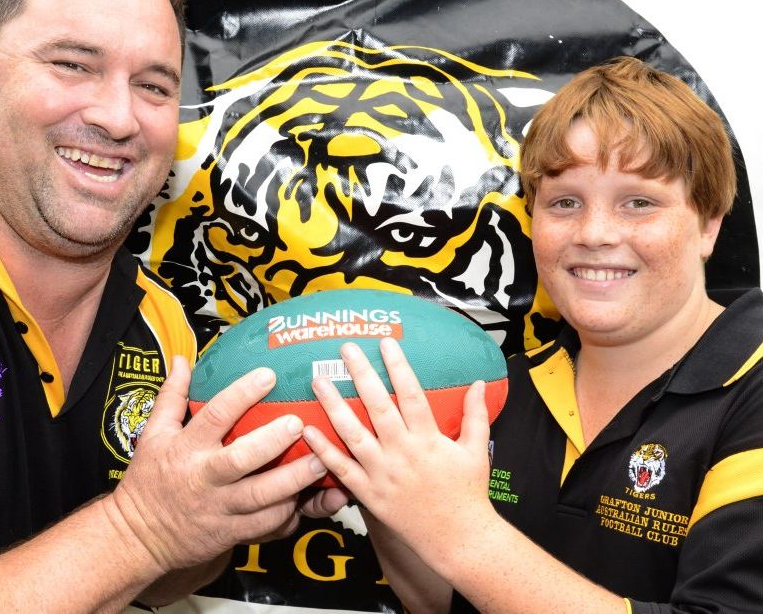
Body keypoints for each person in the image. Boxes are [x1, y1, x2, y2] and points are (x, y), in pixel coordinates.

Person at [0, 0, 344, 611]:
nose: (117, 117)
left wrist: (239, 504)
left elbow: (157, 579)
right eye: (72, 64)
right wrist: (141, 527)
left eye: (152, 85)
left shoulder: (158, 319)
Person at [302, 57, 763, 612]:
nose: (594, 233)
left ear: (708, 223)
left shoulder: (752, 388)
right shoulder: (502, 386)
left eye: (638, 202)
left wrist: (462, 533)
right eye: (565, 202)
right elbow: (447, 602)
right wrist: (385, 490)